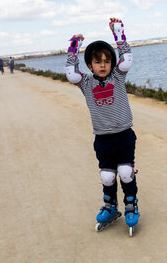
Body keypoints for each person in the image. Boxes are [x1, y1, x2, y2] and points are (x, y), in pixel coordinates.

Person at [65, 18, 140, 234]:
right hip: (102, 137)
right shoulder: (86, 83)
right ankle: (110, 206)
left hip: (124, 134)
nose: (103, 65)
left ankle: (131, 205)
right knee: (107, 176)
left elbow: (126, 60)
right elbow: (71, 74)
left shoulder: (117, 76)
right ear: (90, 65)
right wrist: (73, 47)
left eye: (107, 61)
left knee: (125, 172)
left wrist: (118, 32)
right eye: (98, 62)